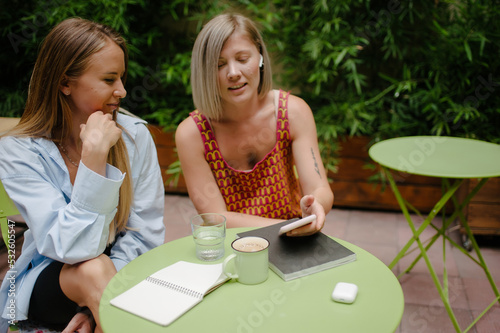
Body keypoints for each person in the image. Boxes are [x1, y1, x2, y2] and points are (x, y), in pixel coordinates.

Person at [0, 18, 165, 332]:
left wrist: (94, 307)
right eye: (108, 79)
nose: (122, 90)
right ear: (65, 83)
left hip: (116, 276)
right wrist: (94, 160)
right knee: (91, 268)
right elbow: (69, 248)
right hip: (48, 278)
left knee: (97, 271)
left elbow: (145, 235)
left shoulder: (134, 137)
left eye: (122, 77)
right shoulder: (18, 152)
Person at [175, 13, 334, 236]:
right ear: (205, 72)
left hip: (293, 240)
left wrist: (316, 206)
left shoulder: (293, 112)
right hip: (233, 247)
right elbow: (214, 217)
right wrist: (285, 227)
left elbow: (319, 188)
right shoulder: (191, 133)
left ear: (260, 56)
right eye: (220, 65)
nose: (233, 73)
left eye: (242, 59)